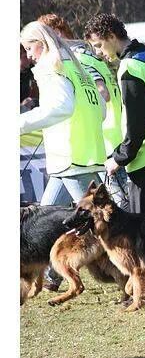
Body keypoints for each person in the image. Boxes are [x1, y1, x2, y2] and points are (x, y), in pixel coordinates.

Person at [84, 12, 145, 214]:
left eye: (99, 45)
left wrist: (120, 158)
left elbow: (138, 122)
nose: (98, 53)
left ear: (111, 36)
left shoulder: (130, 68)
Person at [38, 13, 129, 210]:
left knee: (113, 210)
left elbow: (102, 94)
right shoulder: (90, 57)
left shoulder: (77, 60)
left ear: (56, 33)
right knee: (47, 211)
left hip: (98, 142)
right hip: (104, 140)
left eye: (41, 40)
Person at [19, 21, 107, 206]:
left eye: (29, 48)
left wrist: (20, 124)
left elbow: (61, 107)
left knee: (101, 219)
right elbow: (101, 109)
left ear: (41, 42)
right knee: (45, 218)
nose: (28, 55)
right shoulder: (76, 67)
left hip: (70, 157)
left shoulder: (51, 67)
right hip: (80, 155)